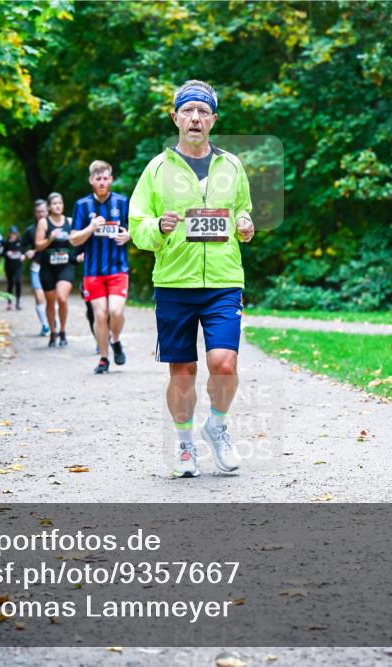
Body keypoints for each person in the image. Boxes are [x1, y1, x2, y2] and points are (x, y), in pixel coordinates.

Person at [129, 80, 255, 479]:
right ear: (175, 117)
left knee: (224, 363)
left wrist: (245, 224)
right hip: (174, 282)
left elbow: (243, 210)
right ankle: (185, 444)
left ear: (213, 119)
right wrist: (158, 227)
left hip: (223, 279)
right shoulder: (157, 169)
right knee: (182, 371)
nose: (195, 118)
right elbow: (137, 224)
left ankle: (216, 426)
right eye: (188, 111)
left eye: (203, 111)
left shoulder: (231, 166)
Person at [69, 160, 131, 374]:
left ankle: (116, 340)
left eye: (105, 178)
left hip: (118, 268)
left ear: (111, 179)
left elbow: (137, 227)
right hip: (93, 271)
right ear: (91, 180)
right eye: (98, 179)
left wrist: (129, 235)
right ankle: (104, 358)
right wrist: (90, 228)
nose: (102, 182)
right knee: (100, 315)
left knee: (116, 311)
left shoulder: (122, 202)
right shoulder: (82, 205)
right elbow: (73, 239)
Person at [35, 192, 76, 347]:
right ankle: (53, 332)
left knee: (62, 298)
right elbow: (38, 245)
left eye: (60, 203)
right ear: (49, 207)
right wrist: (50, 238)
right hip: (48, 268)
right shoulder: (44, 223)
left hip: (65, 266)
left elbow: (78, 241)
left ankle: (63, 331)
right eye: (54, 204)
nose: (58, 206)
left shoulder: (70, 222)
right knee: (50, 301)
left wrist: (79, 253)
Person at [24, 200, 51, 335]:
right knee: (39, 298)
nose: (41, 214)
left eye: (43, 211)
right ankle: (45, 325)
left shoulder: (55, 227)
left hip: (53, 268)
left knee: (51, 298)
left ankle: (53, 321)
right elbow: (22, 246)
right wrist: (26, 252)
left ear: (48, 210)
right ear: (35, 213)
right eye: (38, 212)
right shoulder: (30, 230)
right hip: (37, 267)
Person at [0, 226, 26, 311]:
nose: (13, 235)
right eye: (12, 233)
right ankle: (9, 302)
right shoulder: (5, 242)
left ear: (17, 234)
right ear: (9, 234)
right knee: (10, 283)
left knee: (18, 281)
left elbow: (24, 251)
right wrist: (6, 253)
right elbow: (0, 253)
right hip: (9, 265)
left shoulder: (20, 242)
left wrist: (23, 255)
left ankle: (18, 302)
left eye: (14, 233)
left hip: (18, 265)